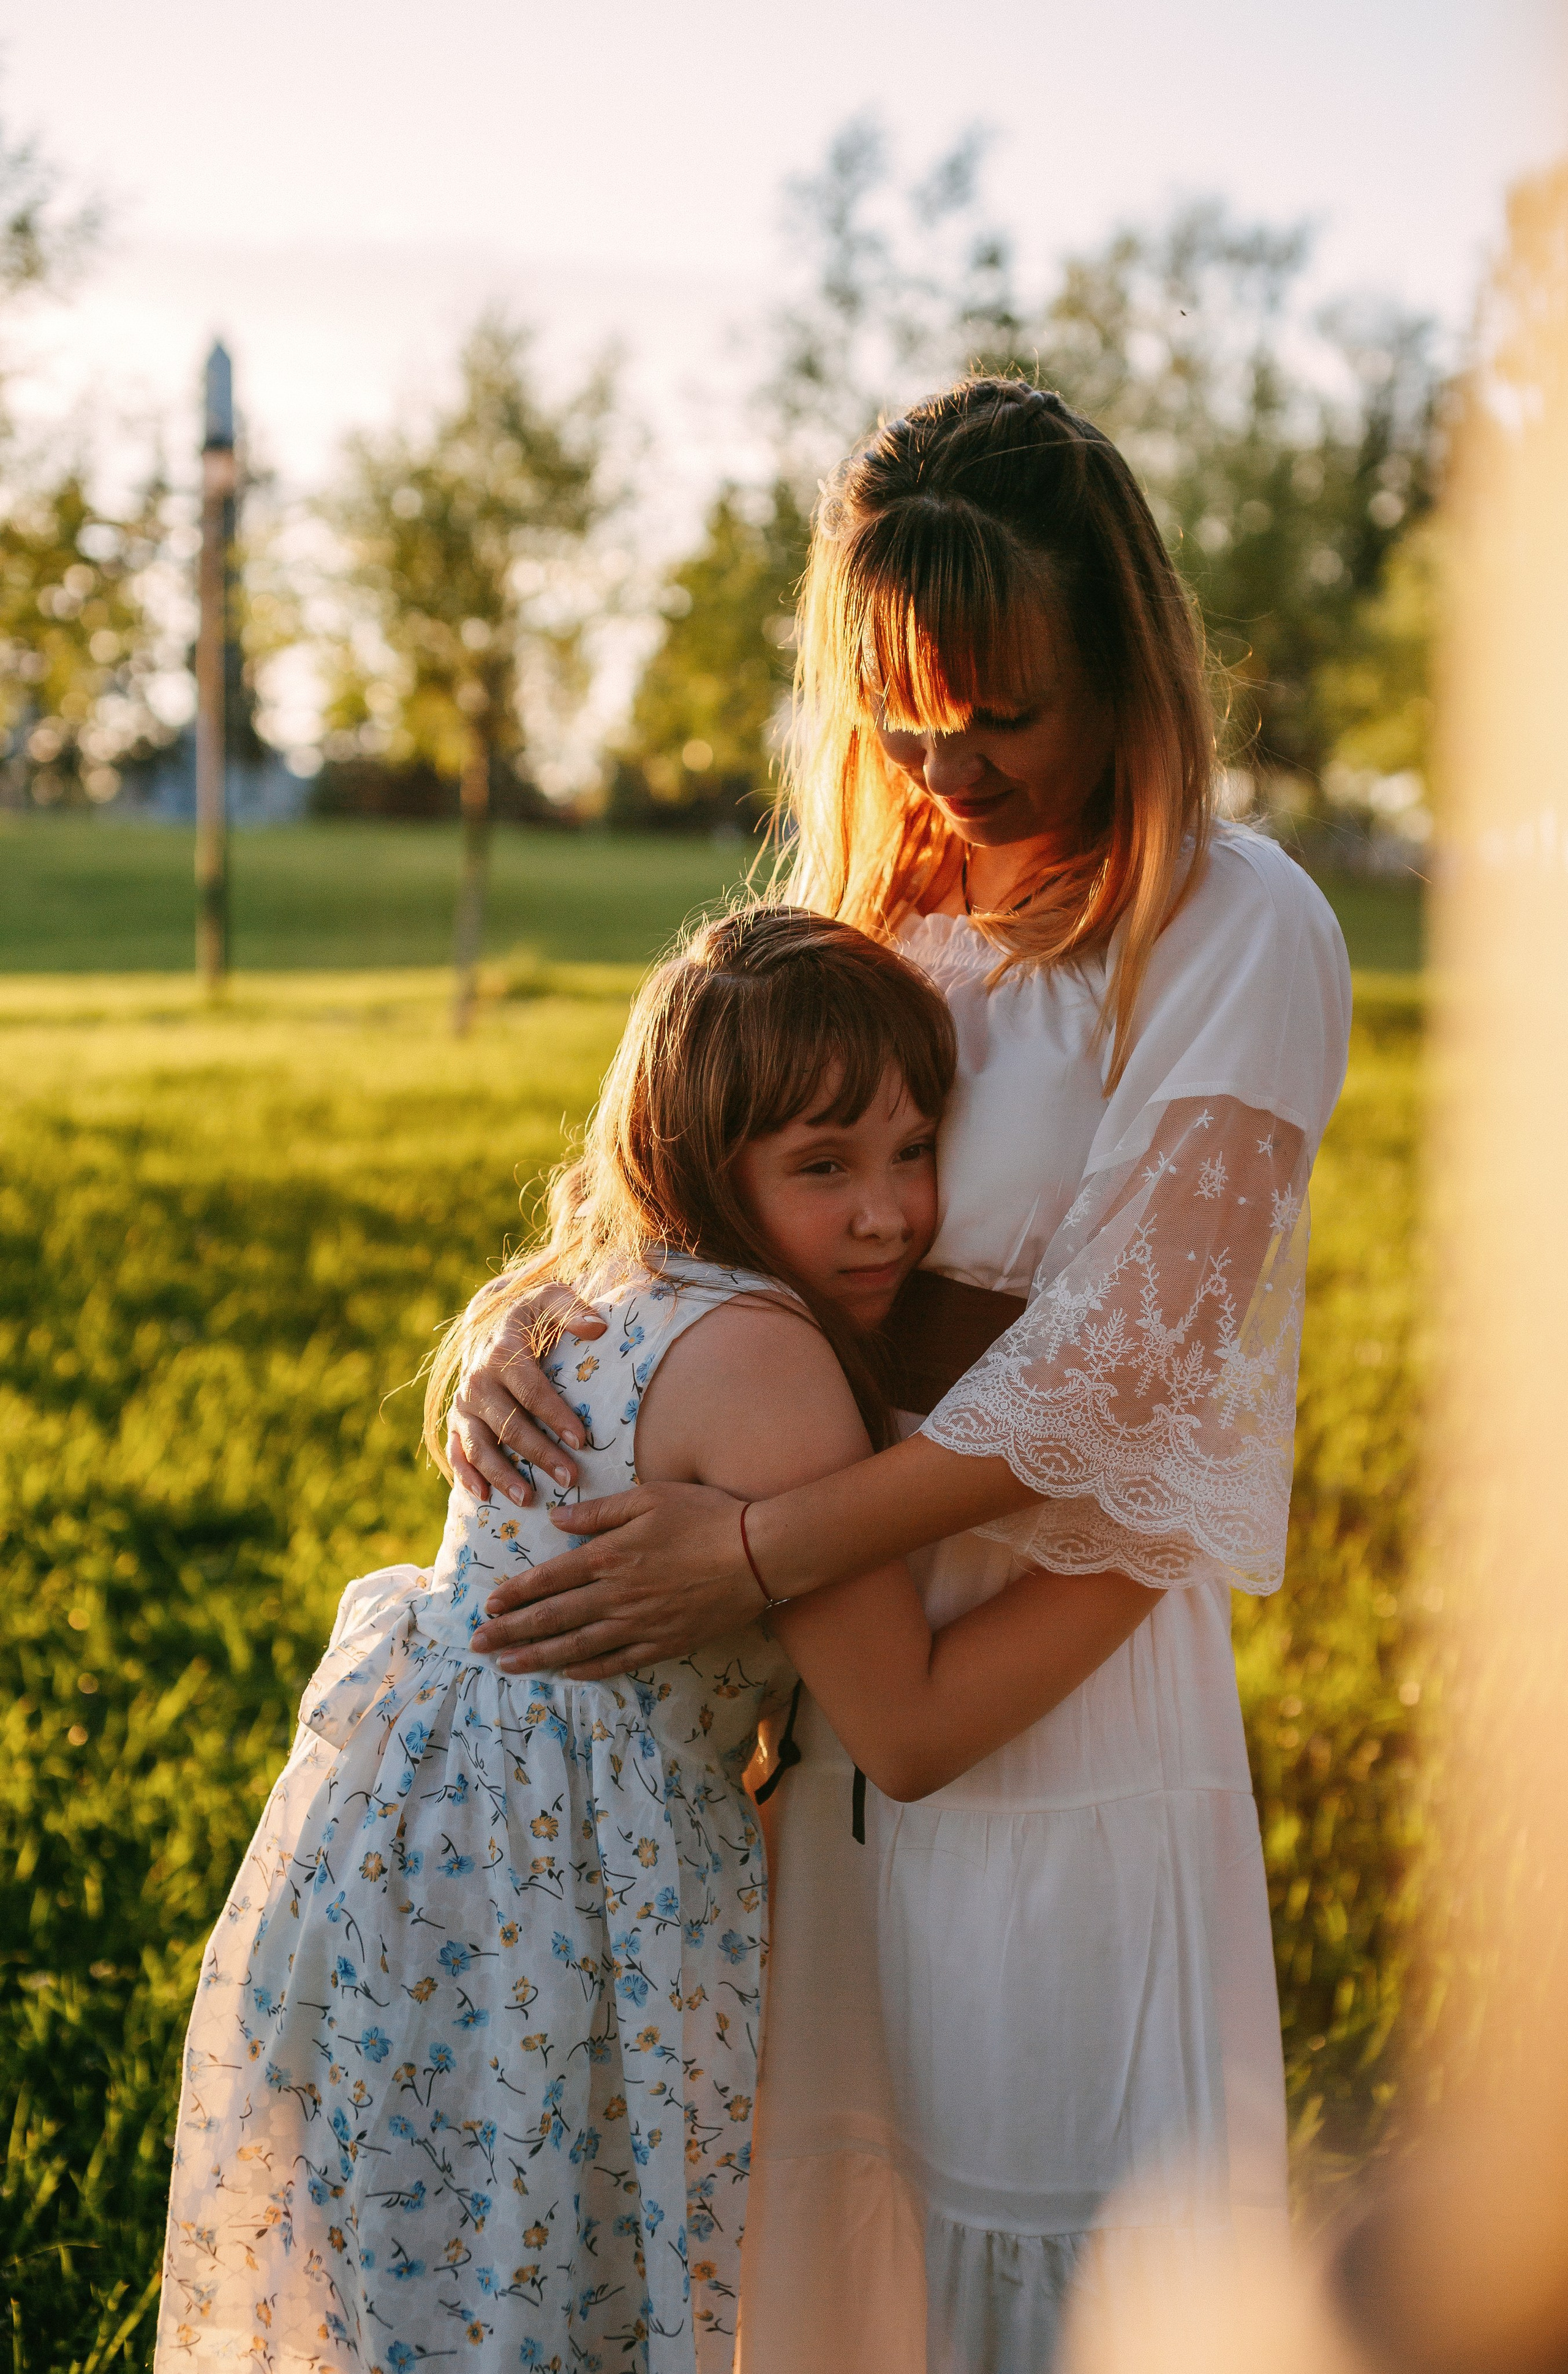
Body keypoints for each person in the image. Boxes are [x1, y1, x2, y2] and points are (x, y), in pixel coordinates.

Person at [451, 380, 1354, 2372]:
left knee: (1053, 2254)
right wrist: (527, 1321)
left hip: (1061, 1699)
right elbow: (691, 1207)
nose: (951, 762)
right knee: (827, 2258)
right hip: (813, 1741)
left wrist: (754, 1544)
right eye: (906, 714)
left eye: (1003, 708)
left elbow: (1115, 1373)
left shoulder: (1227, 923)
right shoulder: (867, 919)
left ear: (1126, 658)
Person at [155, 908, 1159, 2374]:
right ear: (703, 1166)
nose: (887, 1213)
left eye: (911, 1148)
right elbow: (912, 1727)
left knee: (440, 2281)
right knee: (553, 2283)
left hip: (401, 1859)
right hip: (552, 1893)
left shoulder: (591, 1293)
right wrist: (1154, 1550)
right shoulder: (764, 1363)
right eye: (823, 1166)